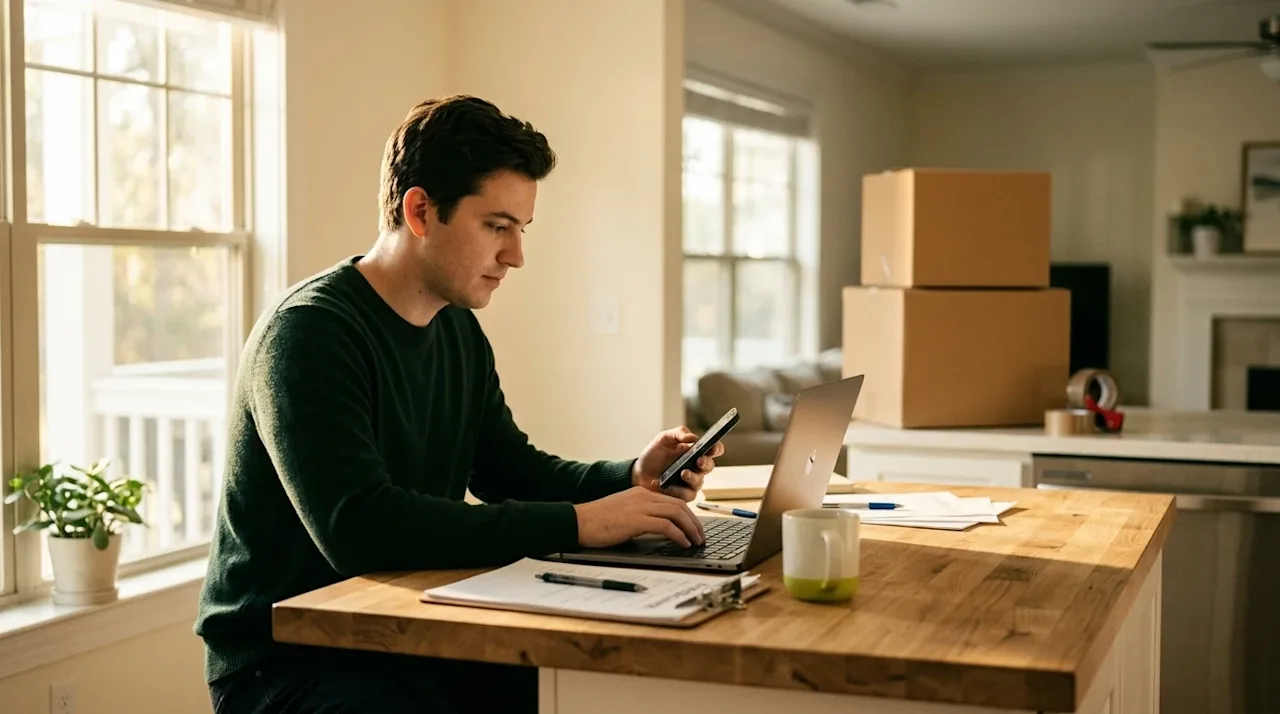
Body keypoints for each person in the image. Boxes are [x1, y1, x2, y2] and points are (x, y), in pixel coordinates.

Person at [195, 95, 724, 714]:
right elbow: (360, 528)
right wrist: (582, 523)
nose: (515, 255)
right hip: (289, 663)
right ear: (420, 210)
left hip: (409, 632)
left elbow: (508, 470)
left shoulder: (457, 328)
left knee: (601, 687)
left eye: (521, 229)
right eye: (497, 226)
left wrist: (628, 478)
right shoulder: (308, 334)